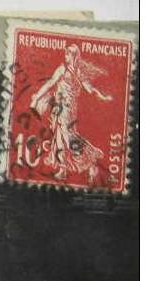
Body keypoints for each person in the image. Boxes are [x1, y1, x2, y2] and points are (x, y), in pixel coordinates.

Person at [29, 44, 112, 184]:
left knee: (68, 137)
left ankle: (91, 162)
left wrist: (102, 96)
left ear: (74, 56)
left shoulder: (78, 72)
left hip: (69, 109)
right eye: (65, 54)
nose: (65, 57)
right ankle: (62, 169)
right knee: (59, 137)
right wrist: (37, 96)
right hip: (58, 107)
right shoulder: (62, 69)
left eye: (68, 54)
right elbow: (50, 83)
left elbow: (89, 88)